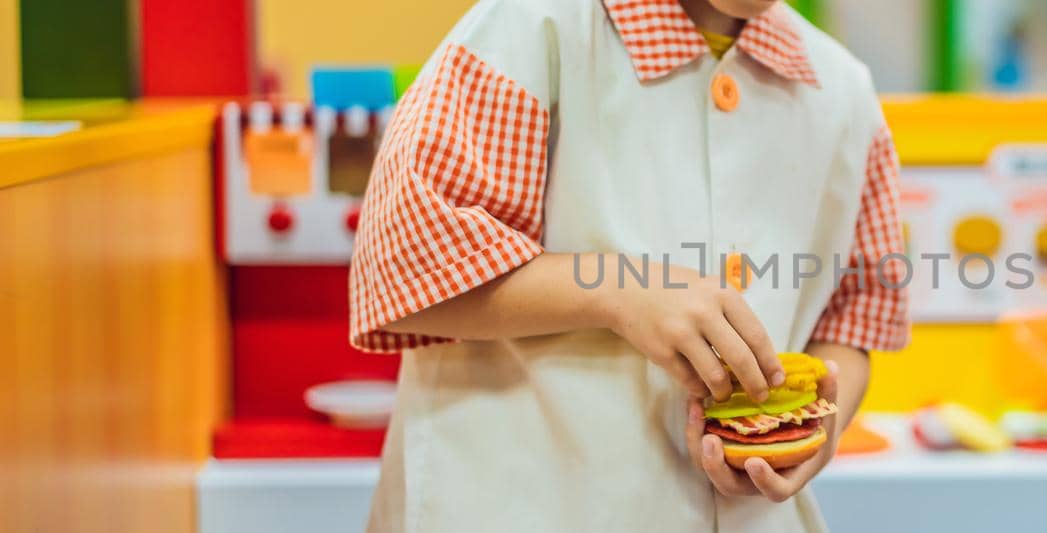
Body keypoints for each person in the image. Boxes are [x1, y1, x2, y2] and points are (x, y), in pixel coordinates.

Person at [346, 0, 909, 531]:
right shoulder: (534, 27)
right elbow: (405, 266)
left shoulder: (844, 93)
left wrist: (814, 431)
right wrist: (621, 292)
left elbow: (851, 324)